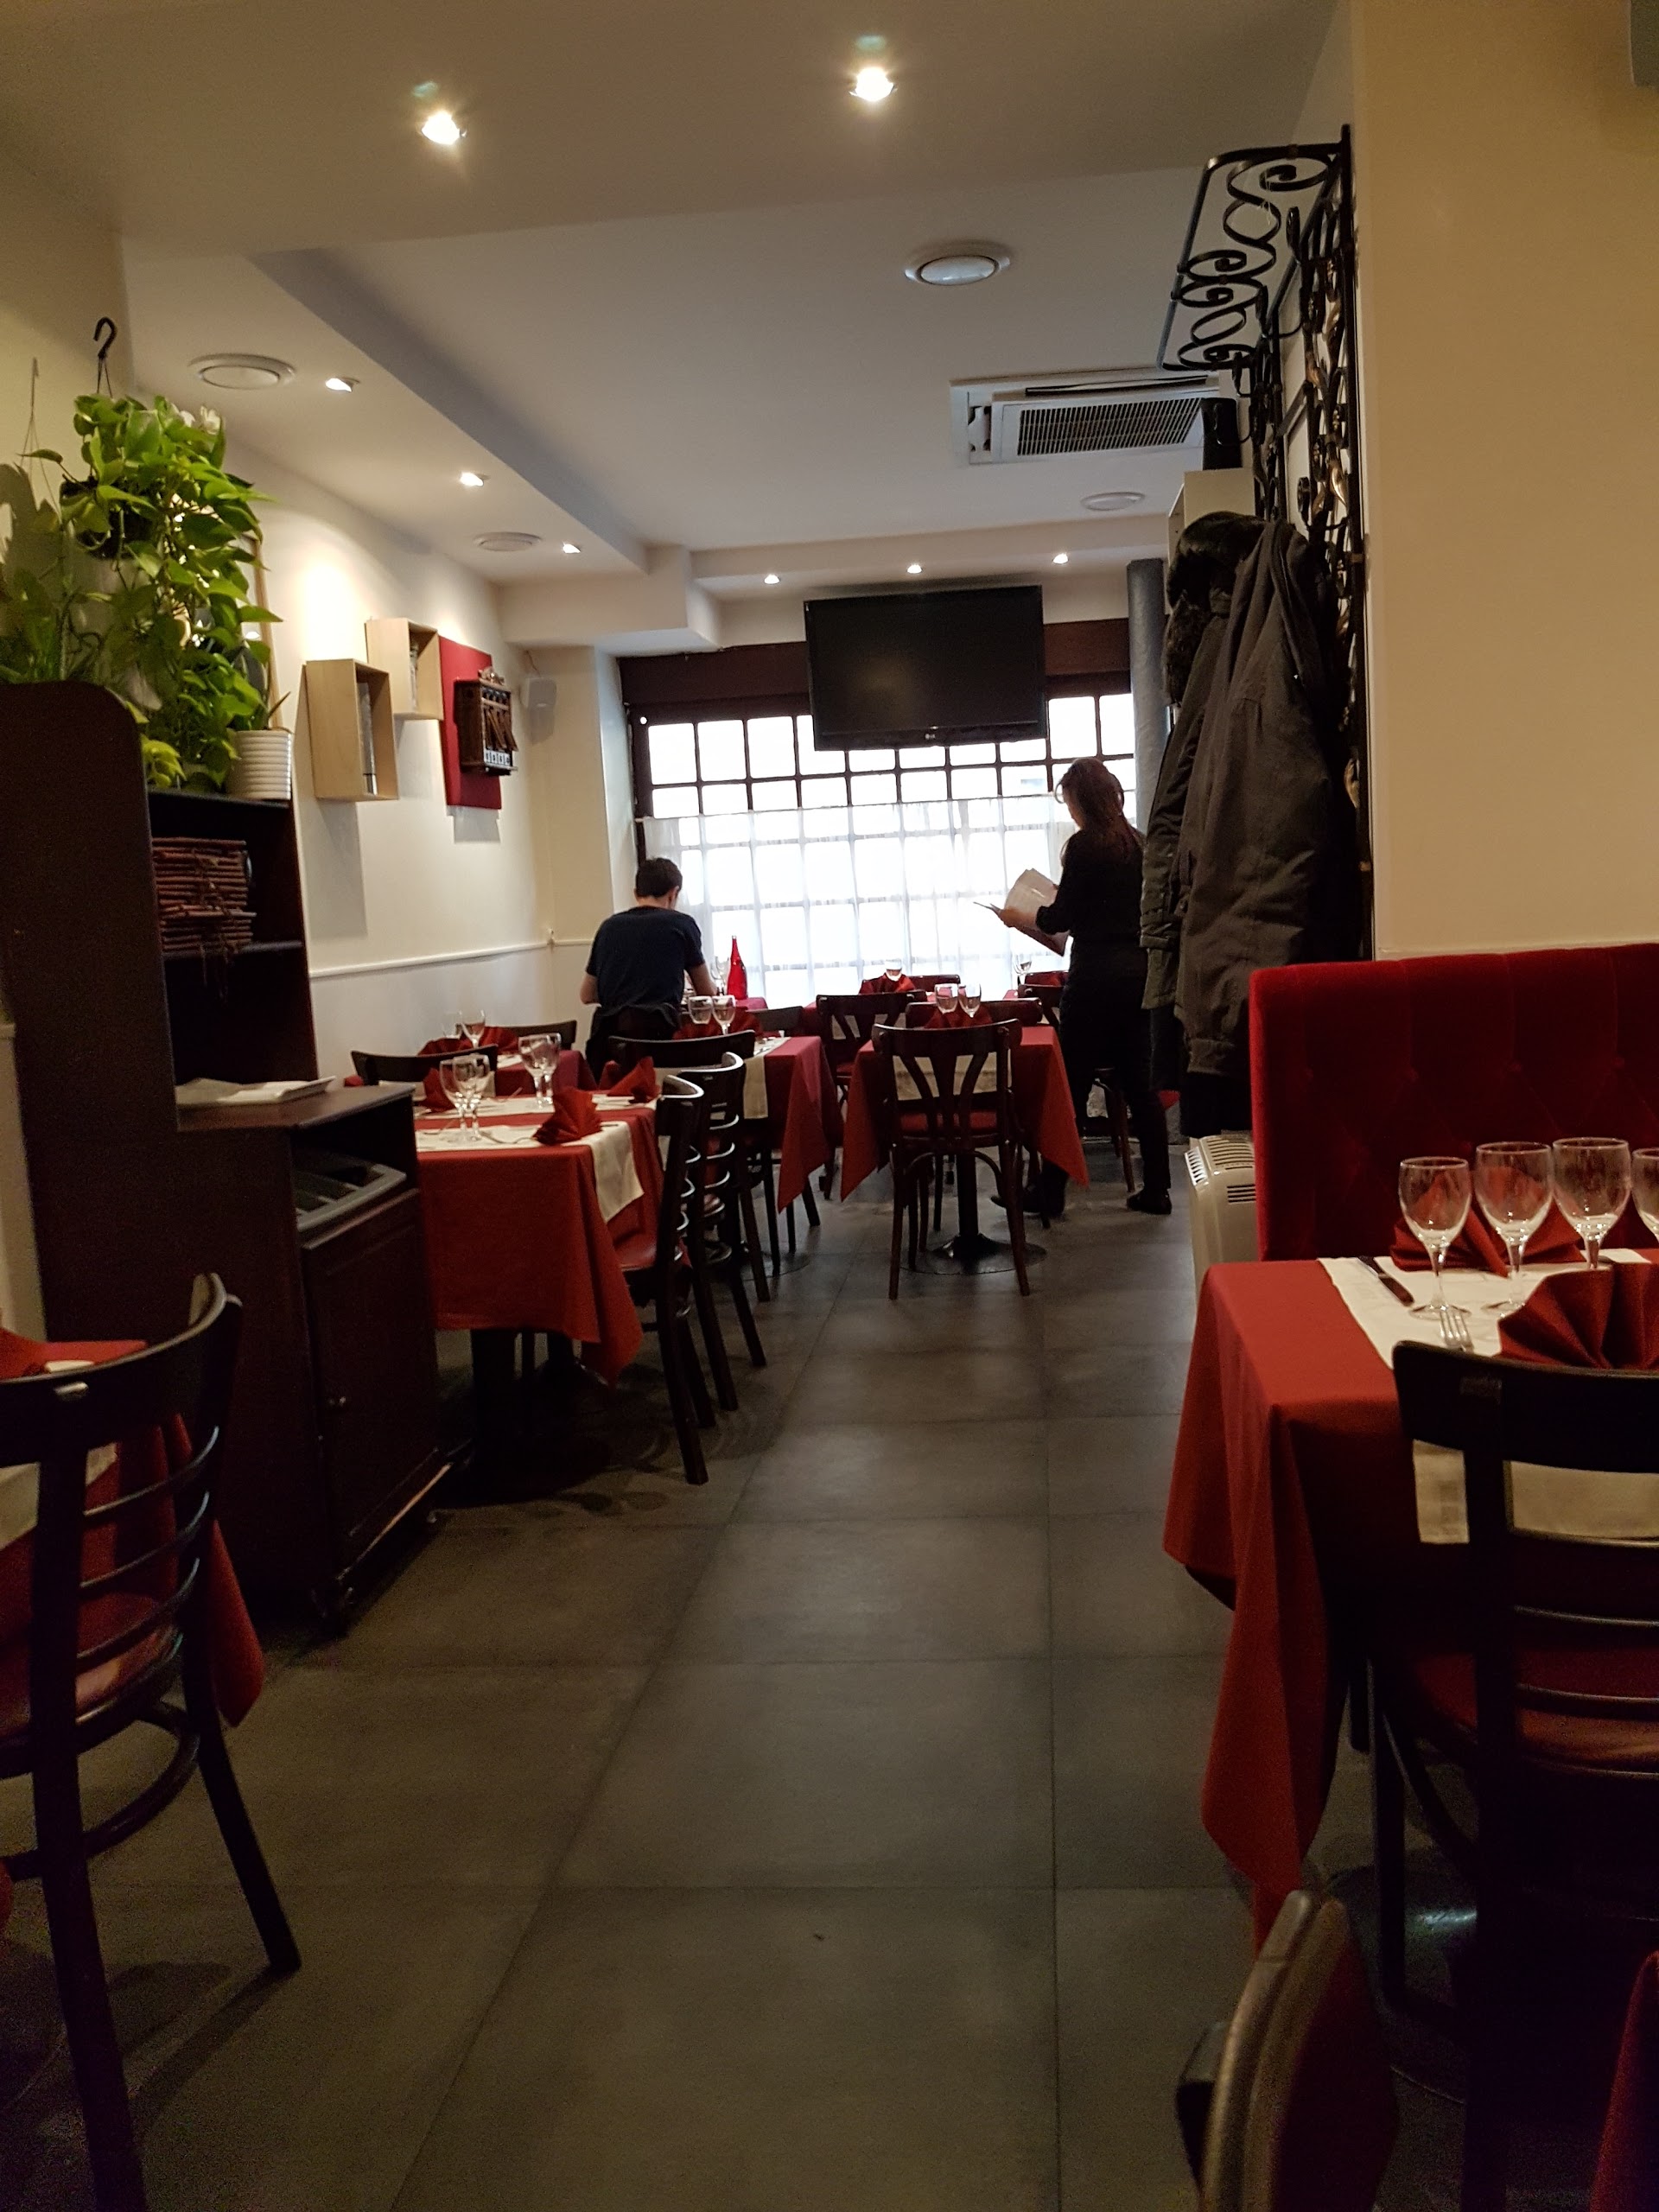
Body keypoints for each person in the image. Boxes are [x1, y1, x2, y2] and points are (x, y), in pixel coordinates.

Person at [993, 758, 1172, 1217]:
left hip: (1094, 978)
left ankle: (1050, 1191)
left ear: (1081, 801)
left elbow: (1061, 918)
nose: (1070, 811)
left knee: (1069, 1085)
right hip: (1138, 974)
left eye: (1070, 802)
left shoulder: (1084, 846)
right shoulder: (1139, 843)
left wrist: (1020, 916)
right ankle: (1158, 1189)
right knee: (1140, 1086)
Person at [581, 856, 713, 1073]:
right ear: (674, 893)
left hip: (610, 1048)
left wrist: (623, 998)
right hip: (661, 1046)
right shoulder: (681, 924)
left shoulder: (608, 927)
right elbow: (706, 992)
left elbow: (586, 995)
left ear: (636, 893)